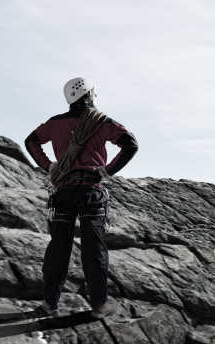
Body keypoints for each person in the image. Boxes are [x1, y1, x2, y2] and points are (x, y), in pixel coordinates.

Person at [24, 77, 138, 319]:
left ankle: (49, 304)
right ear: (89, 94)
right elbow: (131, 144)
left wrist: (48, 167)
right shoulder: (102, 122)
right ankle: (99, 305)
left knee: (58, 249)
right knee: (94, 249)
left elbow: (31, 141)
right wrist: (107, 169)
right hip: (91, 192)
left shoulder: (55, 124)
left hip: (63, 193)